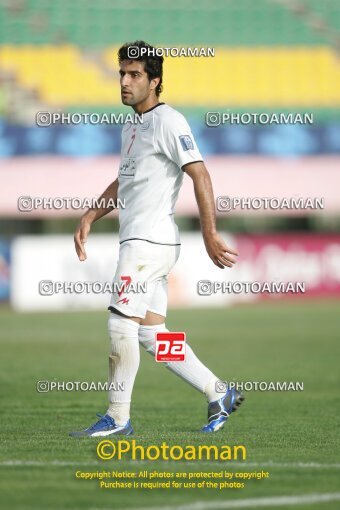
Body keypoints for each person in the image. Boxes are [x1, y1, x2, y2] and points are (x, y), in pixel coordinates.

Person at [70, 41, 243, 437]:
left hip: (147, 244)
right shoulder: (133, 124)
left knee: (120, 325)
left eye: (134, 75)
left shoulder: (169, 121)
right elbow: (125, 180)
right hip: (148, 244)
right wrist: (91, 214)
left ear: (155, 81)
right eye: (121, 74)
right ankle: (218, 392)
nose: (125, 82)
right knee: (151, 332)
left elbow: (200, 173)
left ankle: (117, 417)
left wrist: (210, 233)